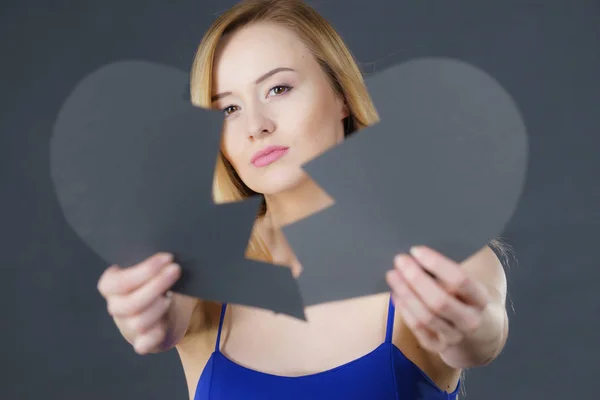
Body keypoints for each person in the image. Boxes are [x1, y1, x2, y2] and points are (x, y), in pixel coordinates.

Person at [97, 0, 510, 398]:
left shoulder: (434, 256)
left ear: (341, 95)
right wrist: (141, 316)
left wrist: (473, 328)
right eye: (228, 109)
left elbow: (481, 336)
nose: (256, 126)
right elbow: (160, 322)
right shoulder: (200, 269)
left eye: (278, 88)